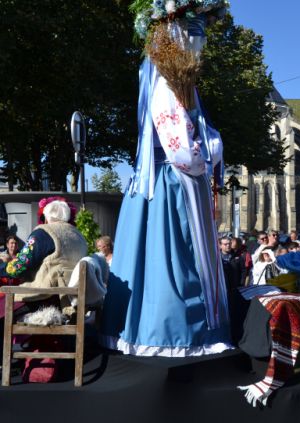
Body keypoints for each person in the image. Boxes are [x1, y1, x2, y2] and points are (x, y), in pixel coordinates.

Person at [100, 6, 232, 357]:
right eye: (194, 33)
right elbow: (183, 151)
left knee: (154, 260)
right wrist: (214, 147)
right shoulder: (167, 83)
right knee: (174, 259)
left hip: (158, 181)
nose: (200, 43)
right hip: (172, 184)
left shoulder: (164, 79)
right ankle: (173, 336)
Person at [0, 198, 87, 305]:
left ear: (45, 217)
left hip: (43, 296)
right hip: (72, 298)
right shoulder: (79, 236)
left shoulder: (43, 233)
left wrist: (2, 267)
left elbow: (18, 267)